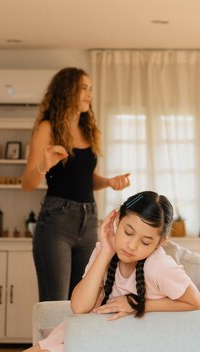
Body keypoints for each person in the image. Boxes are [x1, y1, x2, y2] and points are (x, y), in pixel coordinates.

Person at [24, 191, 200, 352]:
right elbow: (79, 307)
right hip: (89, 332)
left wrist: (137, 304)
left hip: (116, 340)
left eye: (146, 242)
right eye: (128, 232)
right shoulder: (106, 250)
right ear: (117, 221)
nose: (132, 246)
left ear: (160, 241)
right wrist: (106, 253)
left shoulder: (159, 266)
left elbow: (195, 301)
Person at [22, 67, 131, 302]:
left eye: (90, 89)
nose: (89, 94)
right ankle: (47, 341)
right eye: (83, 88)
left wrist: (109, 182)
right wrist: (46, 164)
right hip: (56, 222)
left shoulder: (88, 130)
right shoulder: (48, 128)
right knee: (56, 304)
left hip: (89, 221)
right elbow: (27, 183)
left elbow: (86, 180)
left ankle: (74, 342)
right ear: (66, 90)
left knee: (83, 301)